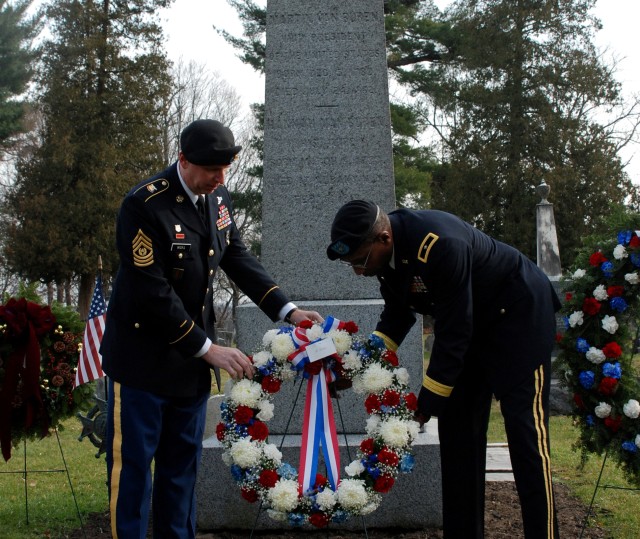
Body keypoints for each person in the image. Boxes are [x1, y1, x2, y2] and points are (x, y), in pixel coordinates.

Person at [101, 119, 322, 538]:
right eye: (210, 170)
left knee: (180, 474)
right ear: (183, 160)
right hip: (141, 363)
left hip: (188, 367)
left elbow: (235, 255)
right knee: (132, 475)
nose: (220, 179)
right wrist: (209, 349)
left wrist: (287, 310)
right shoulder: (144, 205)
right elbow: (153, 293)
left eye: (226, 169)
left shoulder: (217, 195)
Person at [326, 200, 561, 539]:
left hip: (519, 319)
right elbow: (397, 316)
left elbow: (453, 332)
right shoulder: (387, 259)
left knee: (526, 437)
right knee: (458, 438)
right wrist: (356, 367)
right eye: (351, 265)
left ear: (383, 238)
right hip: (469, 329)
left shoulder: (439, 244)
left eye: (360, 261)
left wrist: (425, 407)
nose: (358, 272)